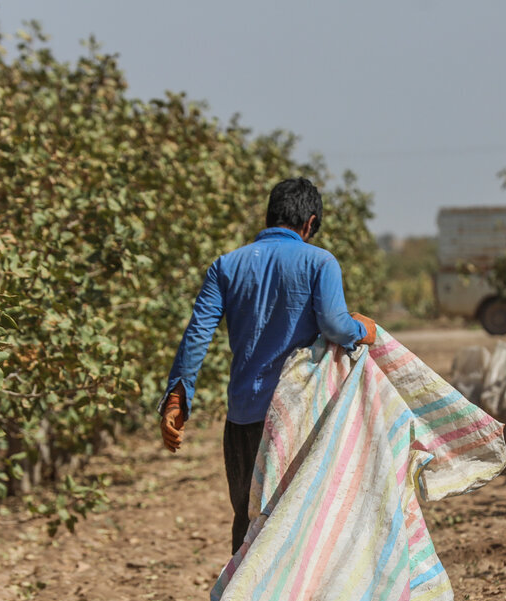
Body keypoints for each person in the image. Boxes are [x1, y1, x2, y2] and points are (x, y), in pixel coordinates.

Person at [159, 177, 376, 554]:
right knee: (298, 521)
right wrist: (365, 329)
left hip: (243, 418)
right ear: (309, 223)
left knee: (247, 521)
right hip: (297, 417)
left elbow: (197, 334)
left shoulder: (226, 266)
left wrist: (177, 398)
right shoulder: (319, 261)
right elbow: (335, 325)